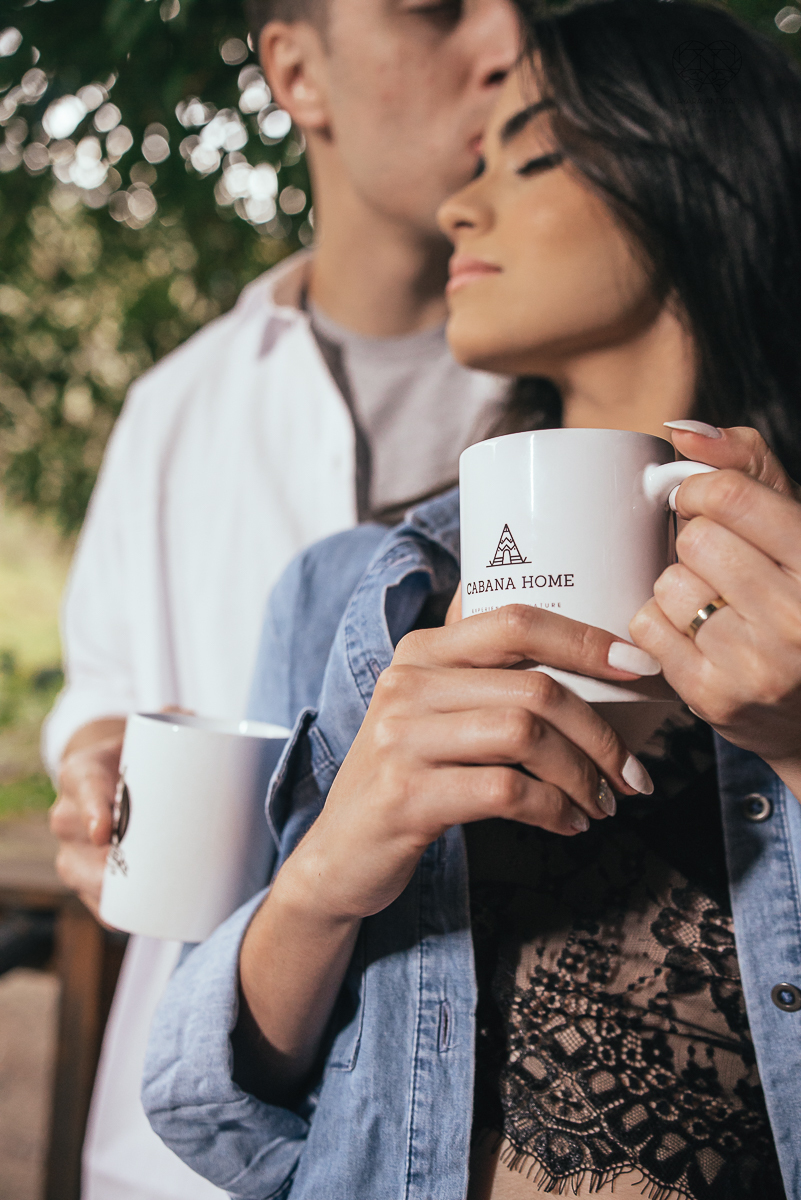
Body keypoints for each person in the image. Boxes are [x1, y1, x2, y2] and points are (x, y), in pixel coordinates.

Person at [143, 1, 801, 1197]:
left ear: (706, 170)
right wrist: (331, 872)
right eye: (474, 158)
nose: (461, 202)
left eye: (534, 152)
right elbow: (215, 1108)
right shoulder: (348, 597)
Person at [44, 0, 518, 1195]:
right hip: (176, 1153)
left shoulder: (598, 404)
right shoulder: (176, 406)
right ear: (297, 72)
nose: (510, 42)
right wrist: (95, 756)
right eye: (438, 11)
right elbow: (104, 680)